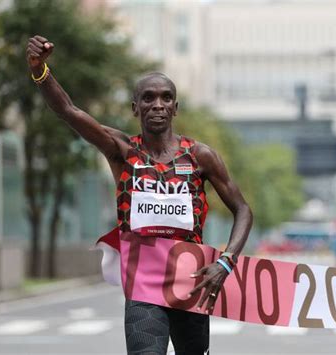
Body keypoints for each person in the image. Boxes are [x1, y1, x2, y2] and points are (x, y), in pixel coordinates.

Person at [26, 35, 253, 355]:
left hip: (192, 282)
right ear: (135, 107)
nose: (157, 104)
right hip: (144, 285)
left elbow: (243, 210)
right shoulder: (123, 151)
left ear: (176, 107)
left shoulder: (200, 156)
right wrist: (40, 69)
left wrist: (226, 263)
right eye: (148, 98)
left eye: (165, 98)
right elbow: (68, 110)